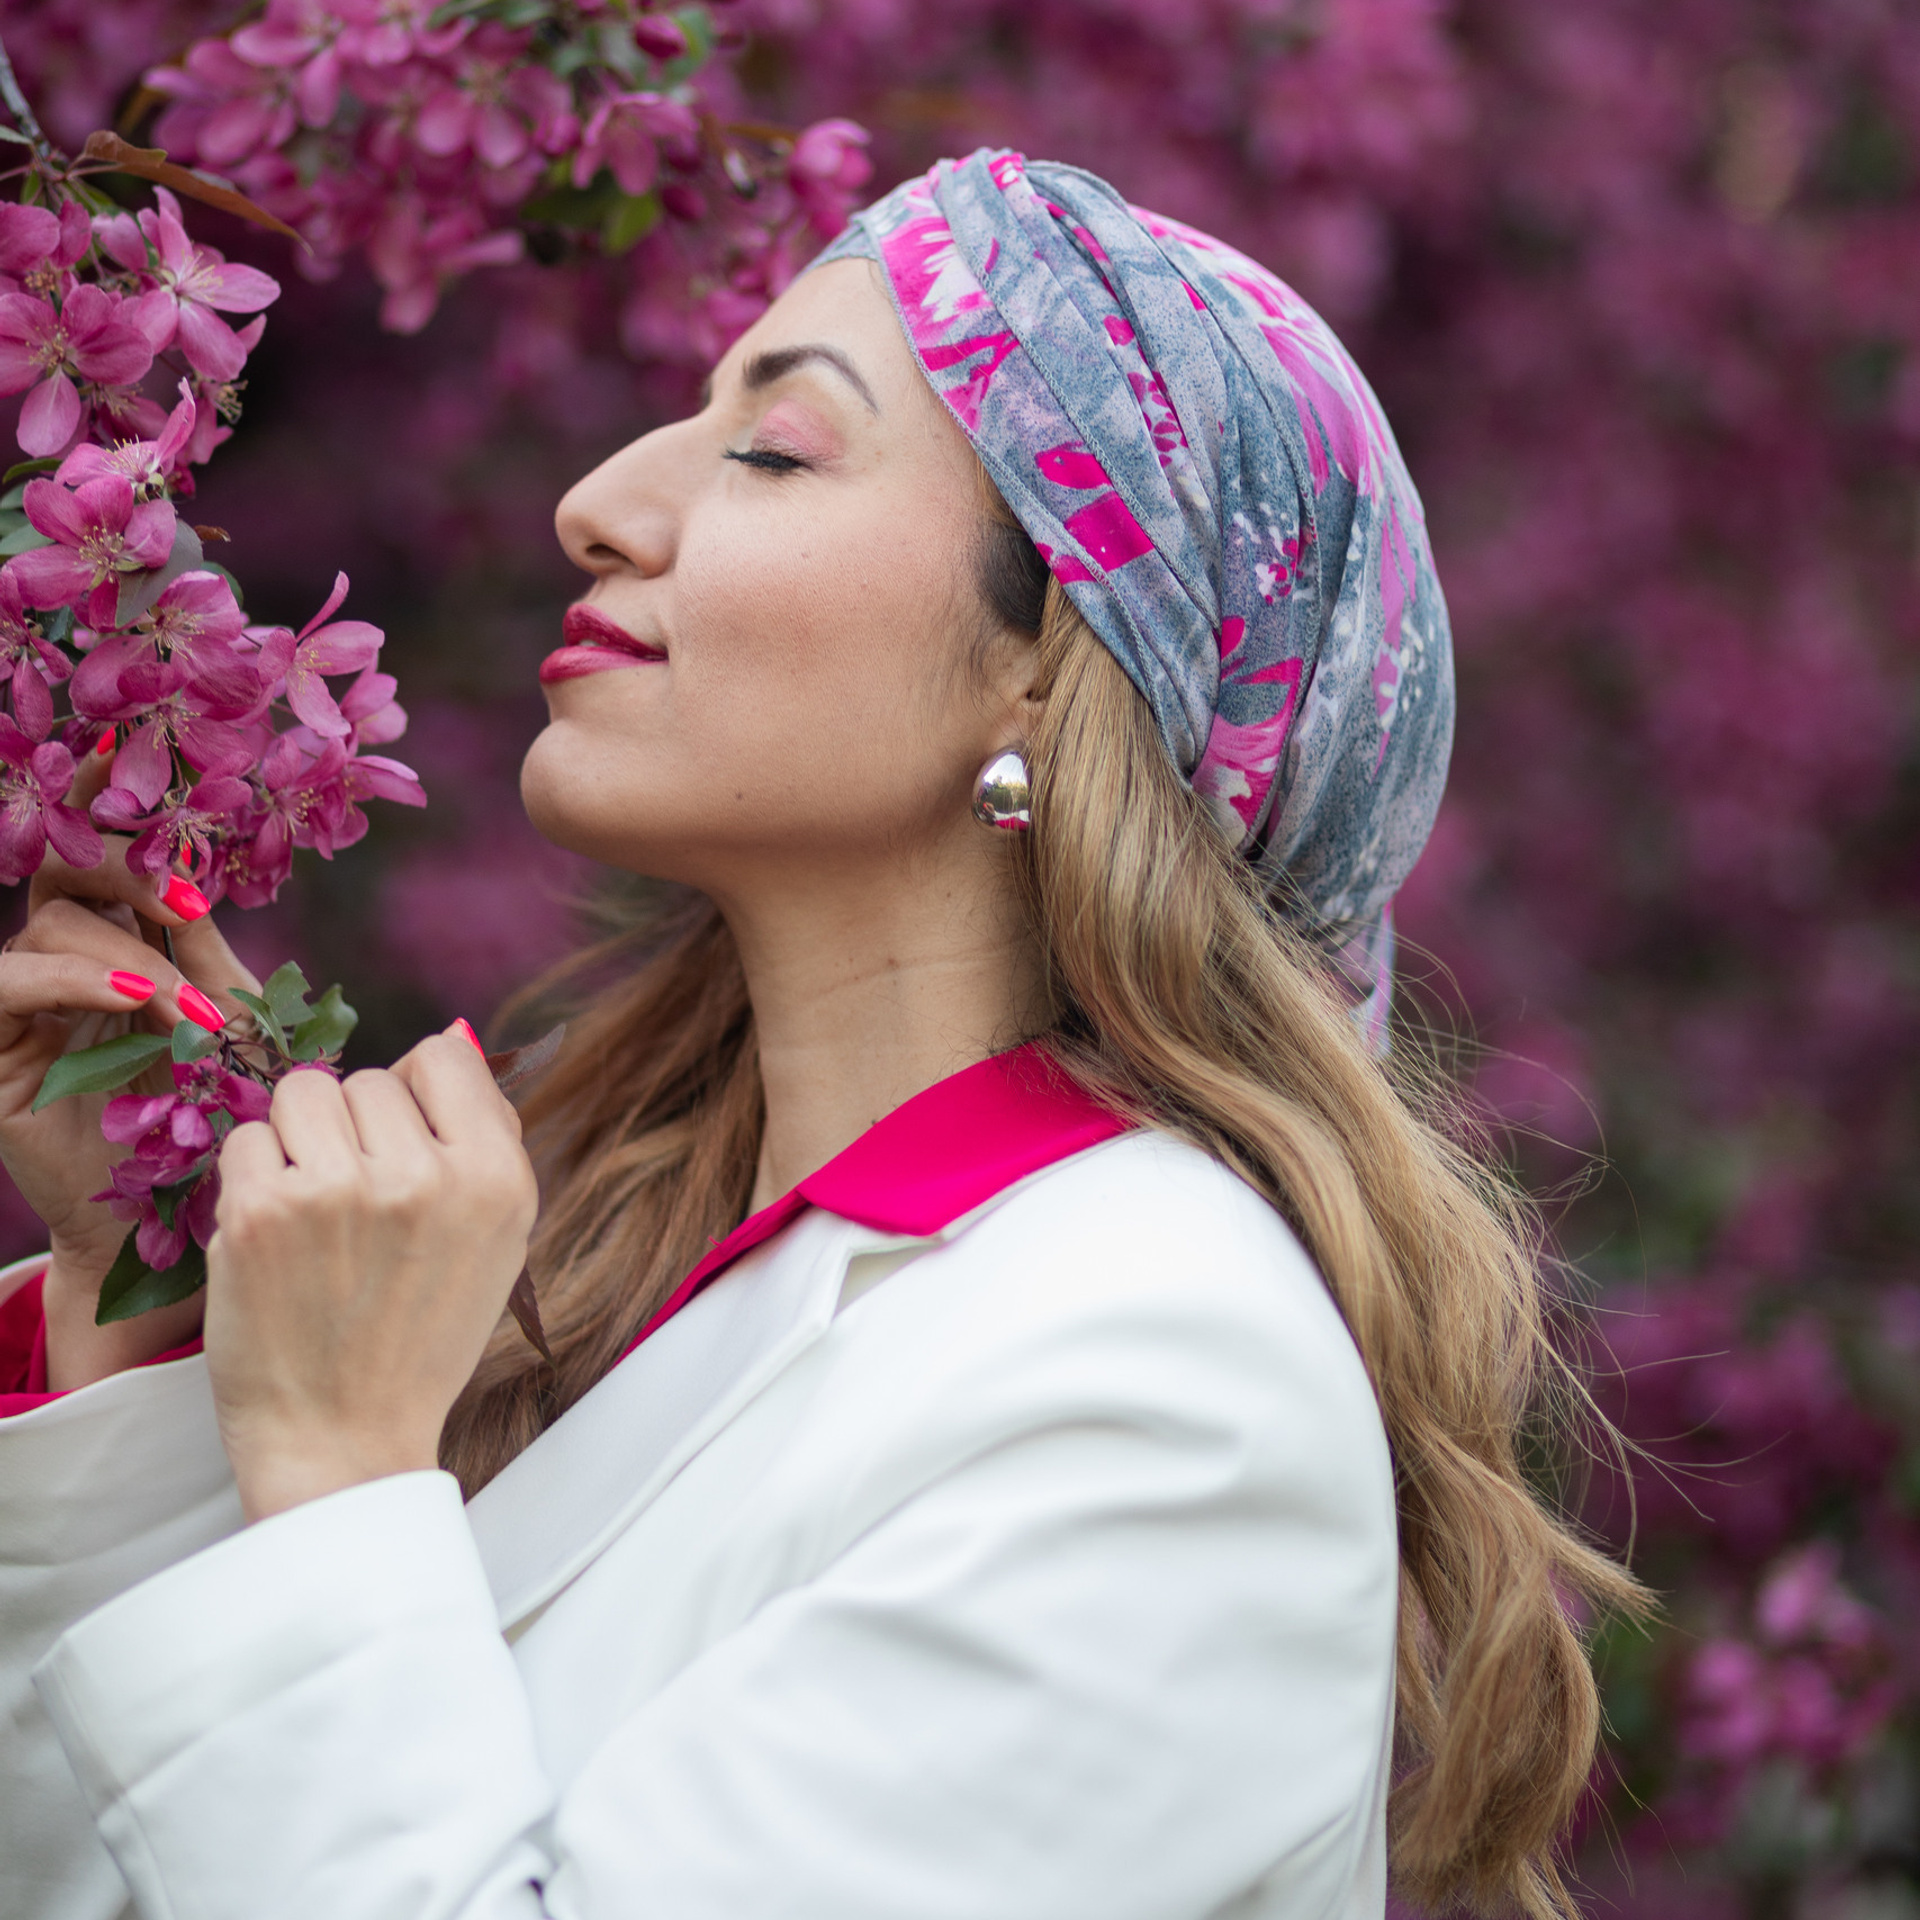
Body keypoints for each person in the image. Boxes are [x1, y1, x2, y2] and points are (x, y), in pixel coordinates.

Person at [0, 150, 1639, 1920]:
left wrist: (339, 1482)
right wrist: (141, 1322)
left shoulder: (1163, 1385)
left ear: (1053, 656)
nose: (598, 504)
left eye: (775, 449)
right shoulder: (627, 1282)